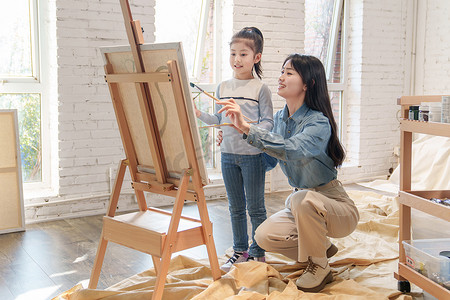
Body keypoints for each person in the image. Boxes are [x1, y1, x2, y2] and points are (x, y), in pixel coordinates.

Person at [216, 54, 360, 292]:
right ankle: (320, 250)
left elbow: (293, 150)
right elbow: (267, 161)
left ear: (307, 83)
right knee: (263, 237)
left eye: (289, 72)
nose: (281, 77)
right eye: (282, 71)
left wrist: (247, 128)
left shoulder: (318, 123)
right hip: (301, 206)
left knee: (300, 198)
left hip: (336, 207)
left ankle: (319, 266)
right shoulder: (279, 120)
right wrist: (233, 144)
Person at [195, 27, 274, 272]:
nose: (236, 60)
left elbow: (268, 124)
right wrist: (197, 114)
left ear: (256, 58)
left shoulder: (261, 89)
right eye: (232, 54)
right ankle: (240, 250)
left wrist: (243, 123)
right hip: (228, 156)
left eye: (243, 54)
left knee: (256, 207)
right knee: (235, 207)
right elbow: (218, 120)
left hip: (253, 157)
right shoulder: (222, 87)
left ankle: (258, 253)